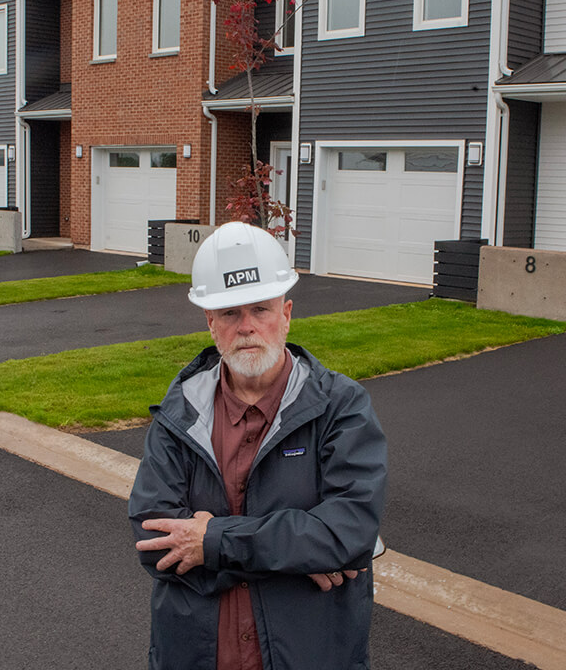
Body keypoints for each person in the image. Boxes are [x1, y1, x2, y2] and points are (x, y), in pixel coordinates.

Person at [129, 221, 387, 670]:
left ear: (286, 314)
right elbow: (155, 542)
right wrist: (297, 552)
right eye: (229, 313)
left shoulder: (341, 406)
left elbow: (348, 532)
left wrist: (210, 541)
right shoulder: (180, 414)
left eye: (261, 310)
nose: (247, 327)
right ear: (210, 322)